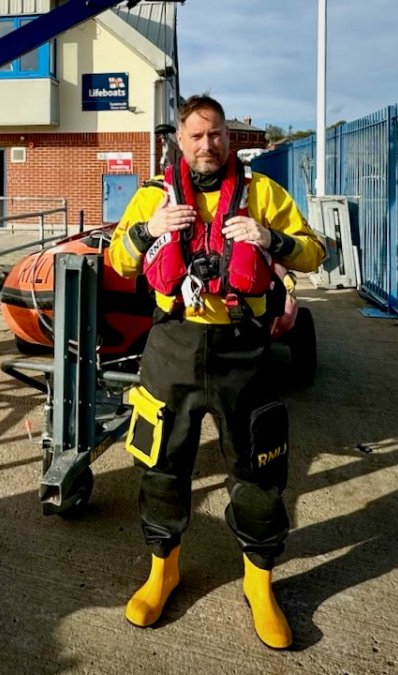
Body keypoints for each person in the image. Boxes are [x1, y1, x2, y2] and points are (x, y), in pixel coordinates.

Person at [107, 94, 324, 649]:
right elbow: (119, 262)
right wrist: (146, 230)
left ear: (229, 138)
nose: (208, 145)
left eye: (217, 135)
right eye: (197, 136)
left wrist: (270, 239)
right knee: (161, 466)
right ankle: (162, 572)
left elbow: (317, 253)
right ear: (180, 141)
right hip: (172, 345)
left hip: (241, 349)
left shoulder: (263, 194)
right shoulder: (152, 196)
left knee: (258, 471)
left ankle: (260, 583)